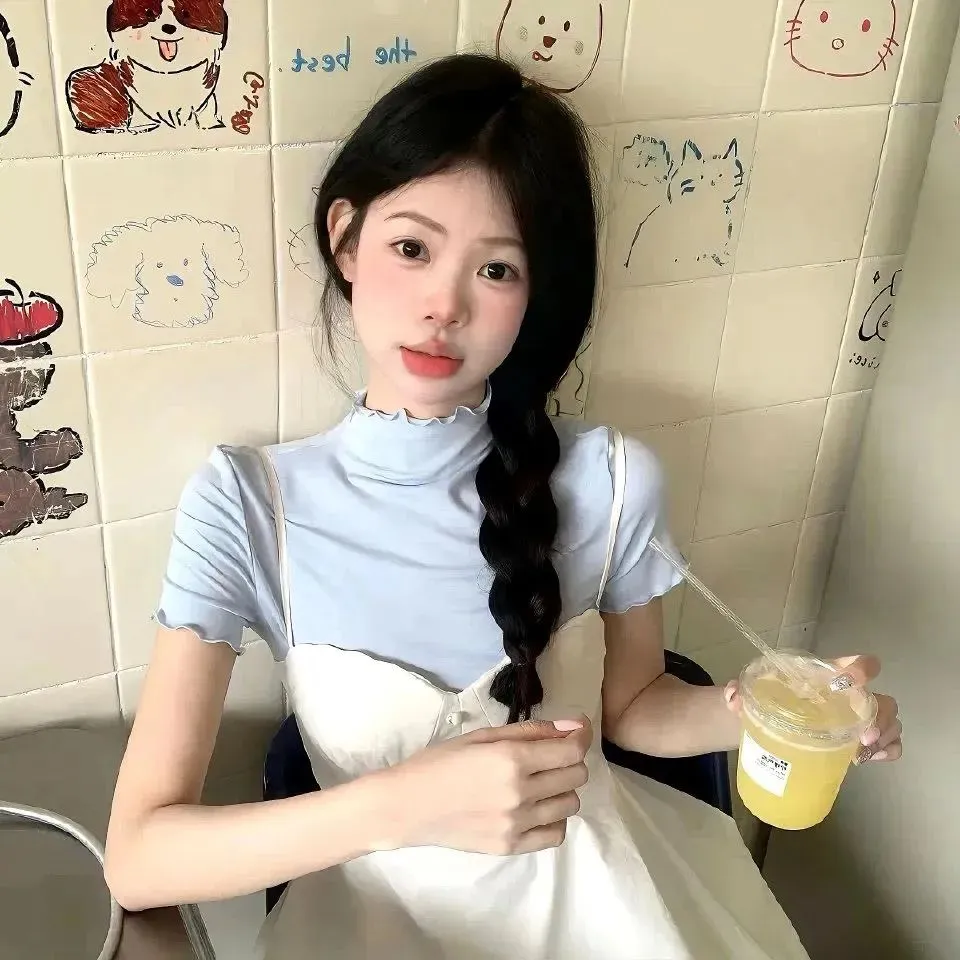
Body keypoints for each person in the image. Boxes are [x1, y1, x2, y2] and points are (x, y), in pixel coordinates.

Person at [103, 53, 903, 959]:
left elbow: (635, 709)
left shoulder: (610, 480)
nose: (443, 306)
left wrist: (768, 709)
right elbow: (139, 858)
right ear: (346, 238)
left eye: (496, 269)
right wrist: (401, 806)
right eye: (412, 248)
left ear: (536, 293)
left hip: (604, 909)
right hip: (372, 929)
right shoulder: (249, 505)